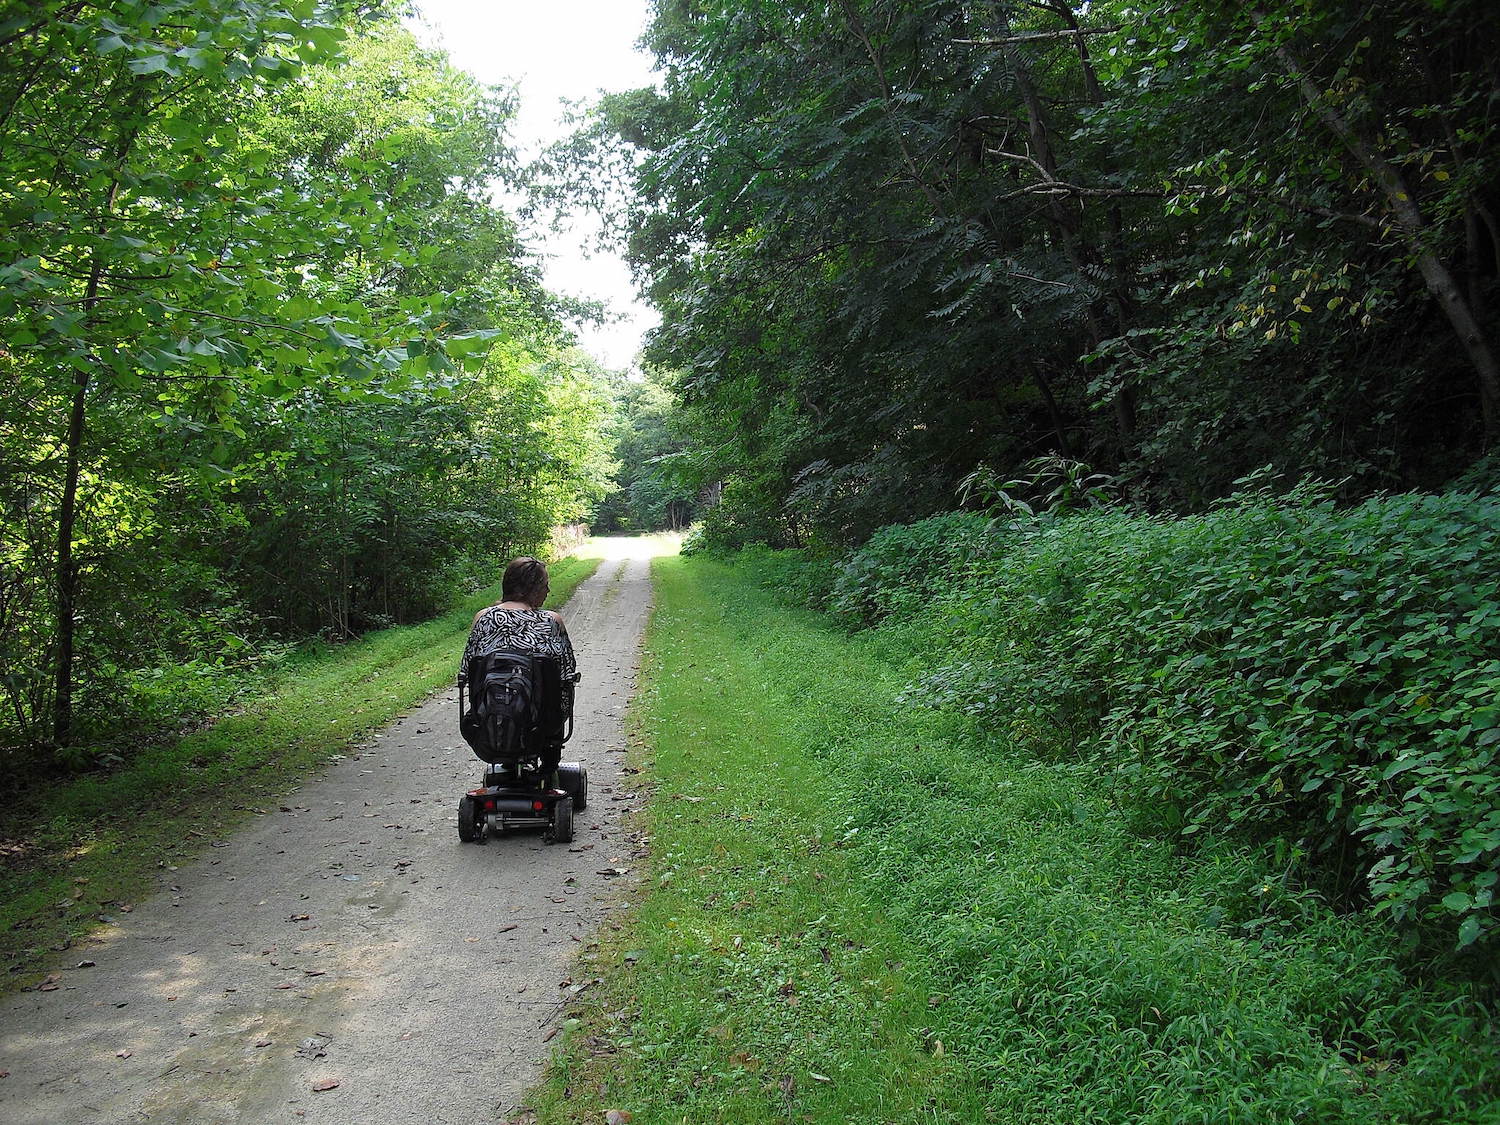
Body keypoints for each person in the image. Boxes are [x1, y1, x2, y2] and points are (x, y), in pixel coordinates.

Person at [459, 556, 577, 776]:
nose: (548, 591)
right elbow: (566, 670)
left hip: (488, 719)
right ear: (530, 589)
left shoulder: (482, 618)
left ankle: (506, 755)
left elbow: (466, 669)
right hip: (541, 725)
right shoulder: (551, 621)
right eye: (544, 585)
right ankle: (550, 762)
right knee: (557, 690)